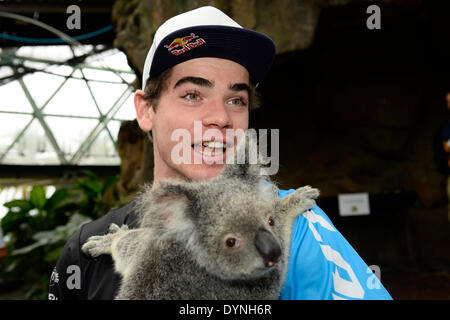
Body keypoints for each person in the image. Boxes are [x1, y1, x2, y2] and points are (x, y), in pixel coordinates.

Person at [48, 6, 392, 300]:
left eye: (236, 100)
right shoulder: (87, 252)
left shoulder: (300, 231)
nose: (221, 118)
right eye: (193, 95)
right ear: (146, 110)